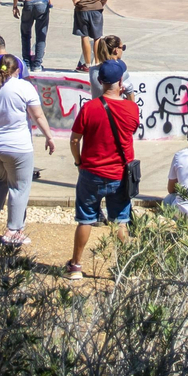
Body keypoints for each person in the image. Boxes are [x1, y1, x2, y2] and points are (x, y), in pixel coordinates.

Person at [67, 58, 142, 280]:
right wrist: (129, 95)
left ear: (100, 81)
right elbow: (133, 127)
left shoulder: (89, 108)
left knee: (86, 219)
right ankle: (125, 268)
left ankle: (76, 266)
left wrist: (79, 162)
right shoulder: (131, 108)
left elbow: (74, 140)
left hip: (91, 171)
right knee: (120, 219)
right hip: (120, 173)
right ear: (121, 81)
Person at [0, 54, 54, 246]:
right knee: (19, 187)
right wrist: (49, 136)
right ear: (17, 70)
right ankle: (13, 230)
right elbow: (38, 116)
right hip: (18, 146)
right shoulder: (23, 87)